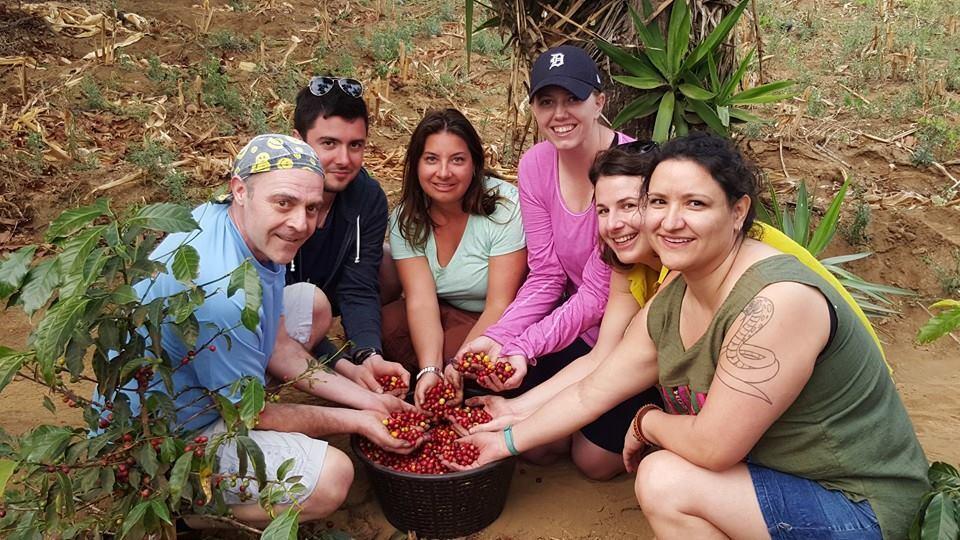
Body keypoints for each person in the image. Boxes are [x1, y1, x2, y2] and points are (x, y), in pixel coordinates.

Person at [456, 132, 930, 539]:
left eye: (695, 204)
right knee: (667, 472)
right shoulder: (672, 298)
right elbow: (594, 387)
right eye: (659, 202)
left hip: (859, 508)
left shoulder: (777, 302)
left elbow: (712, 446)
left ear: (738, 210)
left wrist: (645, 422)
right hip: (780, 481)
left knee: (665, 477)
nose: (669, 221)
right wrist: (506, 439)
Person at [123, 135, 421, 528]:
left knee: (312, 304)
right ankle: (179, 505)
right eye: (284, 203)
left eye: (312, 207)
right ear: (240, 190)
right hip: (166, 435)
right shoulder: (223, 293)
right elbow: (254, 415)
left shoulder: (241, 227)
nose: (300, 223)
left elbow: (279, 344)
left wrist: (369, 402)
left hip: (197, 379)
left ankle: (236, 383)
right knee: (331, 478)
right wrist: (358, 420)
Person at [454, 45, 663, 480]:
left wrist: (526, 346)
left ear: (600, 102)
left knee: (593, 462)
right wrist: (501, 338)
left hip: (626, 328)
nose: (559, 113)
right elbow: (547, 274)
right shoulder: (535, 164)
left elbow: (596, 293)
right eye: (546, 101)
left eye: (573, 99)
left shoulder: (630, 170)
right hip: (580, 328)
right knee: (537, 444)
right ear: (532, 107)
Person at [380, 109, 527, 408]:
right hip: (446, 310)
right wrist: (430, 369)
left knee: (458, 358)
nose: (443, 172)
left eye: (457, 160)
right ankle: (432, 379)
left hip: (499, 317)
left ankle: (469, 383)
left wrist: (457, 364)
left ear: (474, 164)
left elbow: (500, 303)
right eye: (431, 159)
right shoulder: (405, 218)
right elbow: (420, 300)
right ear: (416, 164)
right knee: (388, 322)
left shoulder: (504, 208)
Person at [286, 76, 407, 394]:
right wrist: (338, 362)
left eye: (355, 145)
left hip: (327, 291)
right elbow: (269, 310)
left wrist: (368, 353)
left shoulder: (367, 197)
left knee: (389, 264)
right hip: (278, 303)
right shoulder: (274, 200)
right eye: (329, 144)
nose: (344, 160)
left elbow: (359, 285)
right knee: (305, 308)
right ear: (298, 141)